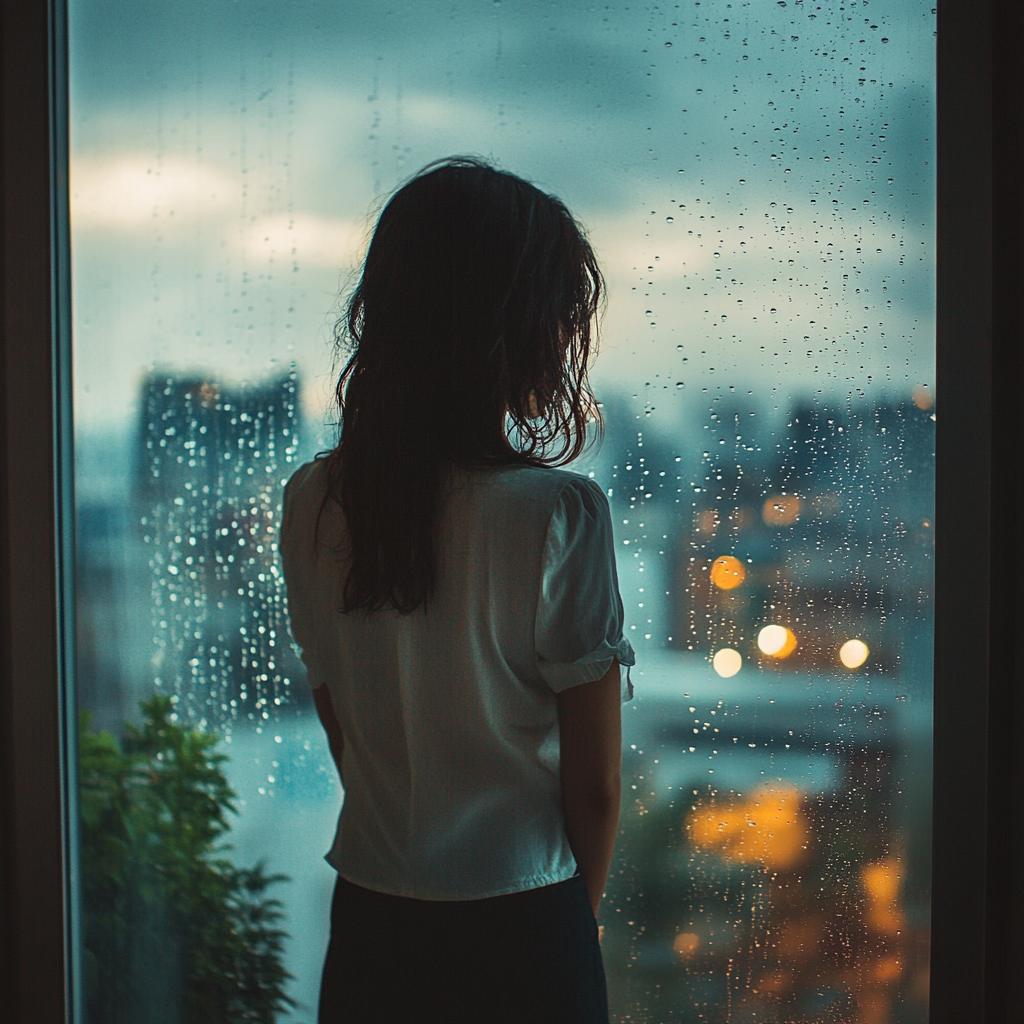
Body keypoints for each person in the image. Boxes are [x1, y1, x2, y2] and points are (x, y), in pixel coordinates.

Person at [280, 157, 634, 1024]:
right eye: (557, 310)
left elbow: (343, 726)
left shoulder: (315, 502)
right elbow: (593, 788)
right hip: (525, 919)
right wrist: (570, 926)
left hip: (371, 917)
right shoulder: (558, 513)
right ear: (511, 326)